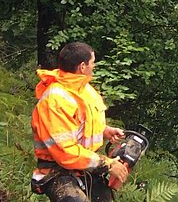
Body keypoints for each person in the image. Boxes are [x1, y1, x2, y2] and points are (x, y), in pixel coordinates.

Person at [30, 42, 129, 201]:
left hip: (85, 167)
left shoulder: (85, 89)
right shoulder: (55, 100)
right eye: (93, 62)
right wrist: (108, 164)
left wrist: (104, 130)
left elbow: (81, 123)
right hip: (57, 171)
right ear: (82, 66)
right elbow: (65, 152)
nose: (94, 66)